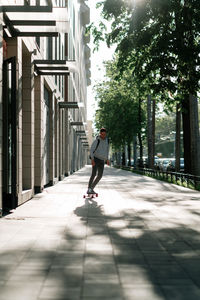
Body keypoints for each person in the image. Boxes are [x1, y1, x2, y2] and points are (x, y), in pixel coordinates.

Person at [87, 128, 110, 194]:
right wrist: (92, 160)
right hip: (96, 159)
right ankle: (89, 189)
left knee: (100, 175)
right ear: (100, 134)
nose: (103, 136)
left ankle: (91, 188)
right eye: (102, 134)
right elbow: (91, 150)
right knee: (93, 174)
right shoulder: (97, 140)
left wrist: (107, 159)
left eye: (104, 134)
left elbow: (107, 151)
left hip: (102, 160)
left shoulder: (107, 141)